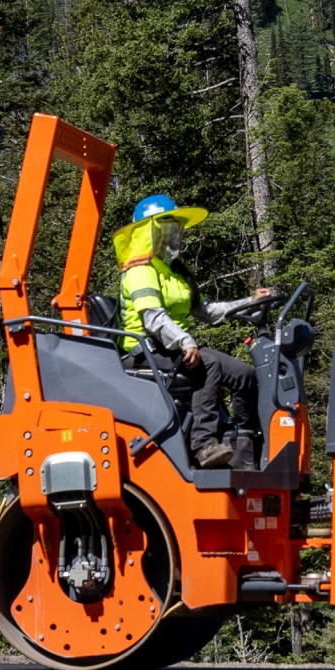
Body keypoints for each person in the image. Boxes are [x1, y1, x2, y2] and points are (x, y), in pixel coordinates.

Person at [114, 193, 267, 469]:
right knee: (206, 364)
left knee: (244, 375)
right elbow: (153, 318)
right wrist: (186, 341)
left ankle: (245, 443)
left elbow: (207, 311)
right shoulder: (139, 271)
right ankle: (204, 445)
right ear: (149, 233)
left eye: (177, 229)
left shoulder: (175, 272)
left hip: (178, 348)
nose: (176, 235)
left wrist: (250, 302)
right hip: (145, 351)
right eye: (168, 228)